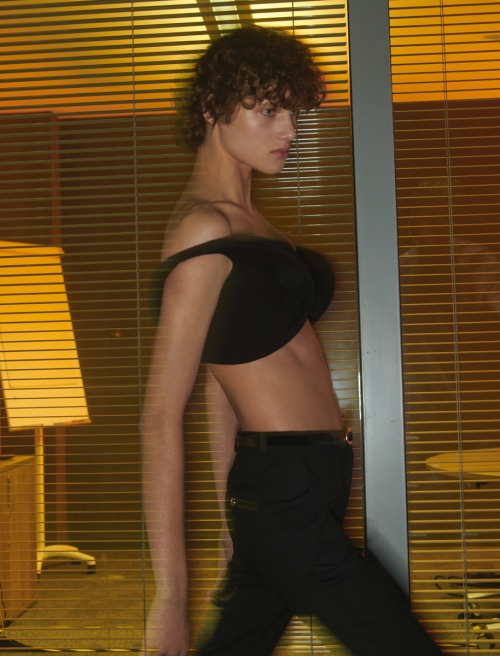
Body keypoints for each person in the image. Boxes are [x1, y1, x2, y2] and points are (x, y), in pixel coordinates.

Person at [141, 25, 444, 656]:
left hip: (301, 481)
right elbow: (159, 417)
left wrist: (231, 523)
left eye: (295, 113)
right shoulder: (203, 227)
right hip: (285, 493)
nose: (290, 131)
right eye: (269, 111)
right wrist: (171, 595)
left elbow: (224, 388)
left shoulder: (256, 226)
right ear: (212, 109)